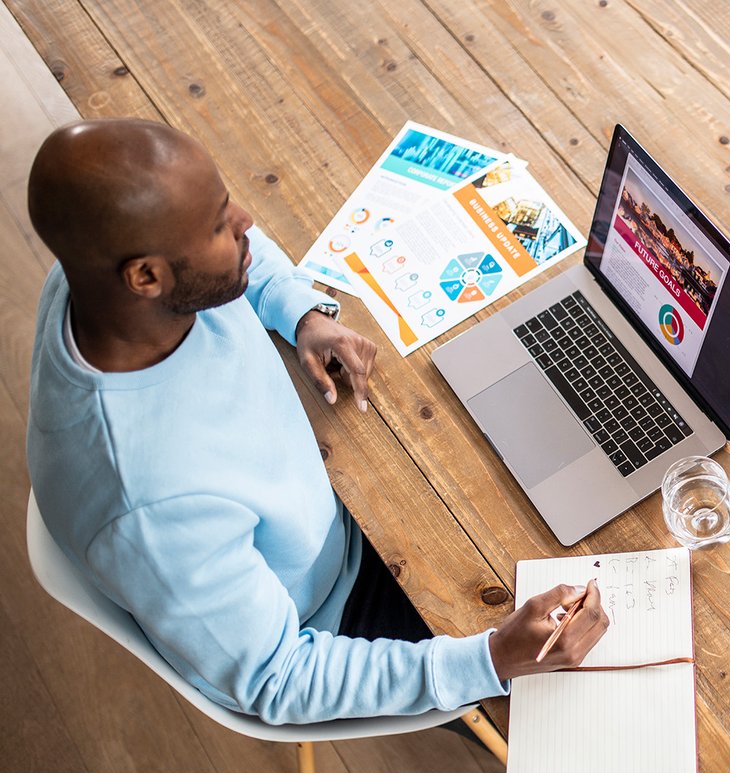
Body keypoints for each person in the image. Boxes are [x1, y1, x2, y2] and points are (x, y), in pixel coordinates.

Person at [25, 118, 608, 725]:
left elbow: (226, 260)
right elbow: (277, 680)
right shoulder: (152, 510)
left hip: (330, 499)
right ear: (145, 276)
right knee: (591, 692)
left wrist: (296, 308)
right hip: (333, 610)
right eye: (218, 224)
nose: (246, 219)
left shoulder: (95, 279)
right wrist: (491, 659)